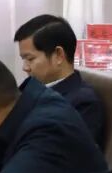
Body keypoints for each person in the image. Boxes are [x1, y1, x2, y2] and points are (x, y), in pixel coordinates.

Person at [14, 14, 106, 147]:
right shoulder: (31, 88)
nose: (25, 68)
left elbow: (68, 153)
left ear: (58, 55)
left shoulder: (83, 103)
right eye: (24, 60)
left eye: (30, 59)